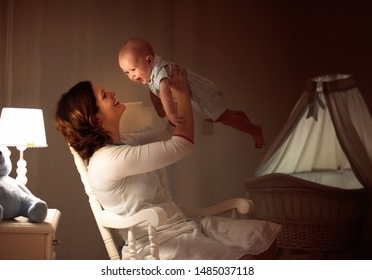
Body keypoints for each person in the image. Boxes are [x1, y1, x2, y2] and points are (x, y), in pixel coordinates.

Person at [55, 66, 280, 259]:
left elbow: (170, 131)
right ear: (96, 119)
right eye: (104, 95)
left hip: (182, 225)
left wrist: (165, 89)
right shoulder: (107, 161)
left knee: (268, 240)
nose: (112, 93)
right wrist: (182, 93)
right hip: (159, 245)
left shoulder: (125, 142)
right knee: (246, 262)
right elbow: (182, 144)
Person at [118, 37, 265, 148]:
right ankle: (239, 115)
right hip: (198, 97)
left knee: (223, 117)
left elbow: (165, 92)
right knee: (213, 118)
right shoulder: (152, 75)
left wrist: (171, 115)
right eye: (126, 72)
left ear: (149, 61)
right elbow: (155, 92)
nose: (131, 76)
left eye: (133, 69)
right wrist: (159, 109)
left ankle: (255, 130)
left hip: (205, 93)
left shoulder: (162, 71)